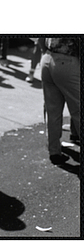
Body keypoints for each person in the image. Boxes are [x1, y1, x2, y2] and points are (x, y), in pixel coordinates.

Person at [39, 37, 80, 165]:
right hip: (68, 62)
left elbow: (40, 39)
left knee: (52, 111)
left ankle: (54, 152)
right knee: (78, 111)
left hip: (48, 58)